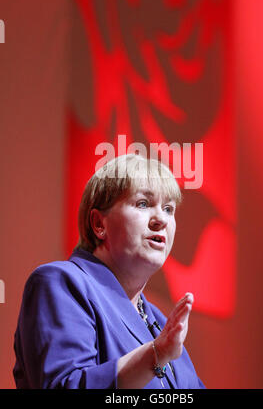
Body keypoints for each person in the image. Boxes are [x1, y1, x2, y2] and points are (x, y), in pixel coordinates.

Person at [13, 154, 205, 389]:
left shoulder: (161, 323)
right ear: (99, 224)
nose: (161, 220)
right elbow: (65, 385)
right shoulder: (61, 284)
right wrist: (155, 355)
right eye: (143, 203)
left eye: (168, 209)